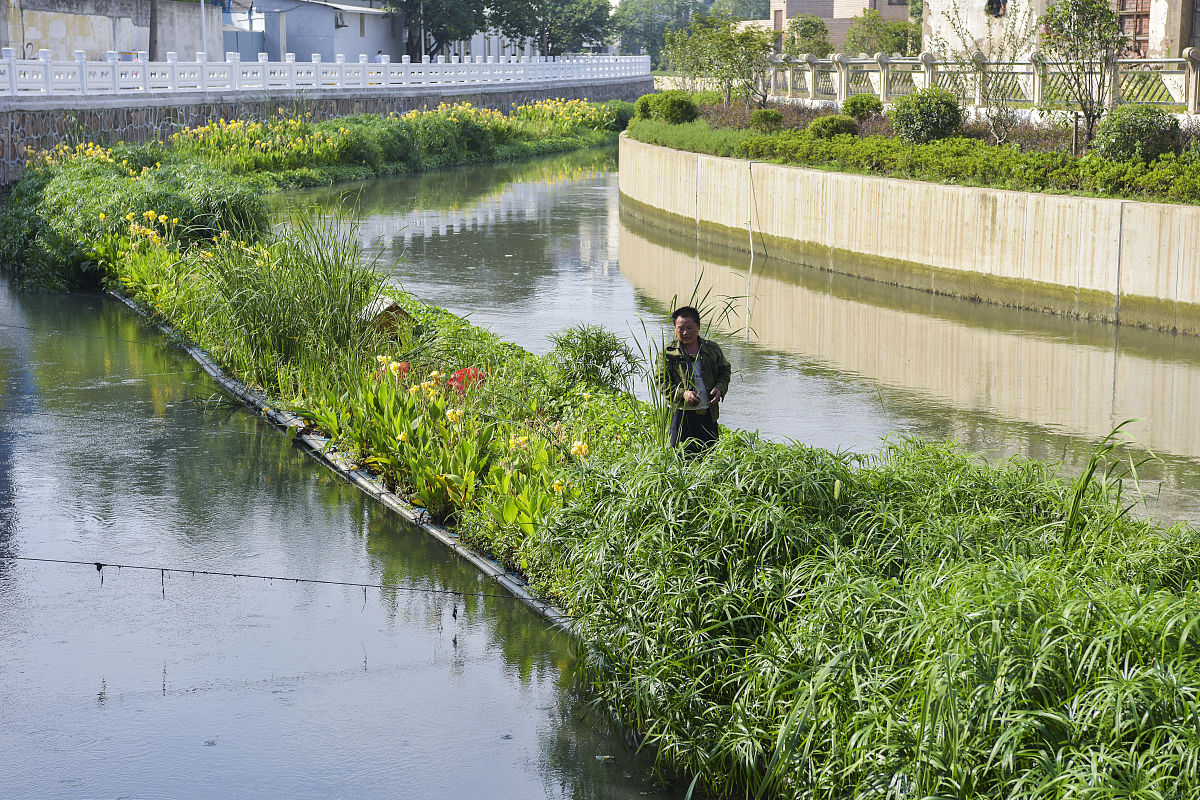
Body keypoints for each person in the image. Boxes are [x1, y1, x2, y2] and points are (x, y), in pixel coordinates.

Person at [656, 306, 731, 452]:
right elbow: (662, 382)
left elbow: (725, 371)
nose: (685, 332)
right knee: (680, 458)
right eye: (680, 328)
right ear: (675, 329)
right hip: (682, 415)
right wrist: (683, 394)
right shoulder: (668, 353)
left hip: (708, 414)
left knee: (710, 458)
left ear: (698, 327)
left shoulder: (712, 349)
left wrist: (719, 389)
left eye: (689, 328)